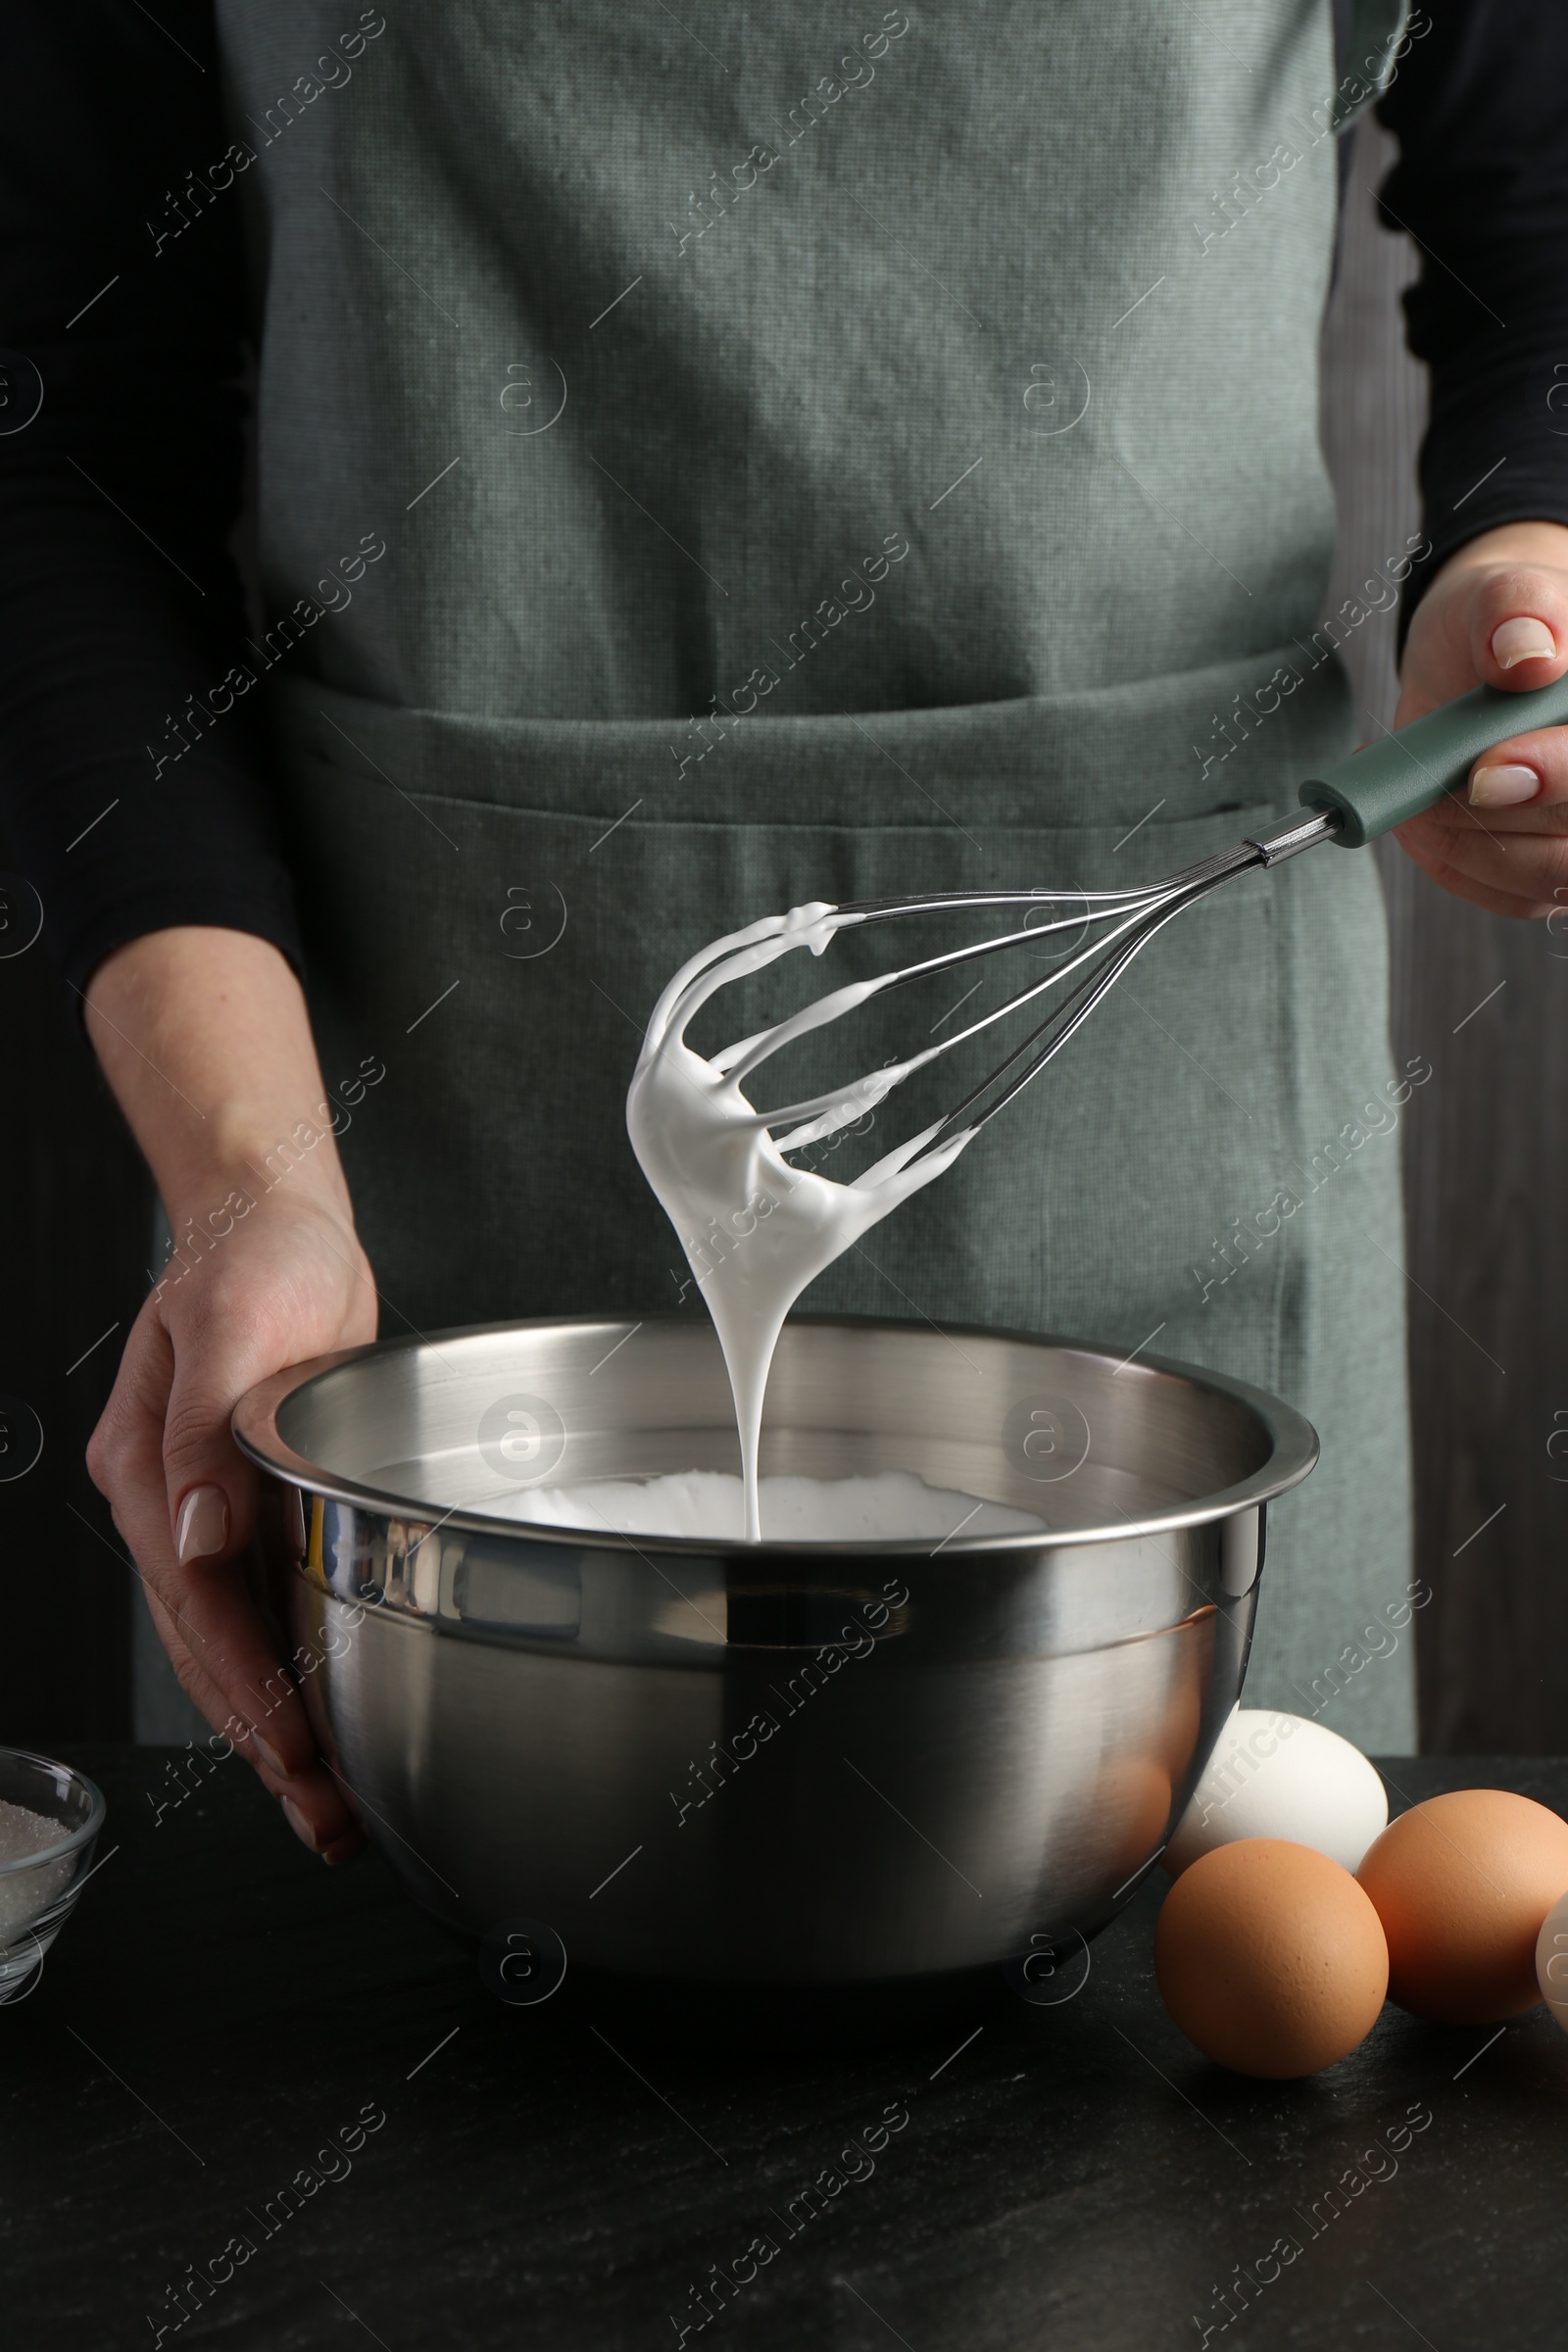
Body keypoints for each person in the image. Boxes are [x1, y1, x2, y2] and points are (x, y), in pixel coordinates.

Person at [3, 2, 1566, 1865]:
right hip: (389, 1171)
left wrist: (1522, 564)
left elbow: (1537, 232)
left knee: (1215, 2045)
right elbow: (65, 430)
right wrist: (249, 1183)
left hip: (1175, 1137)